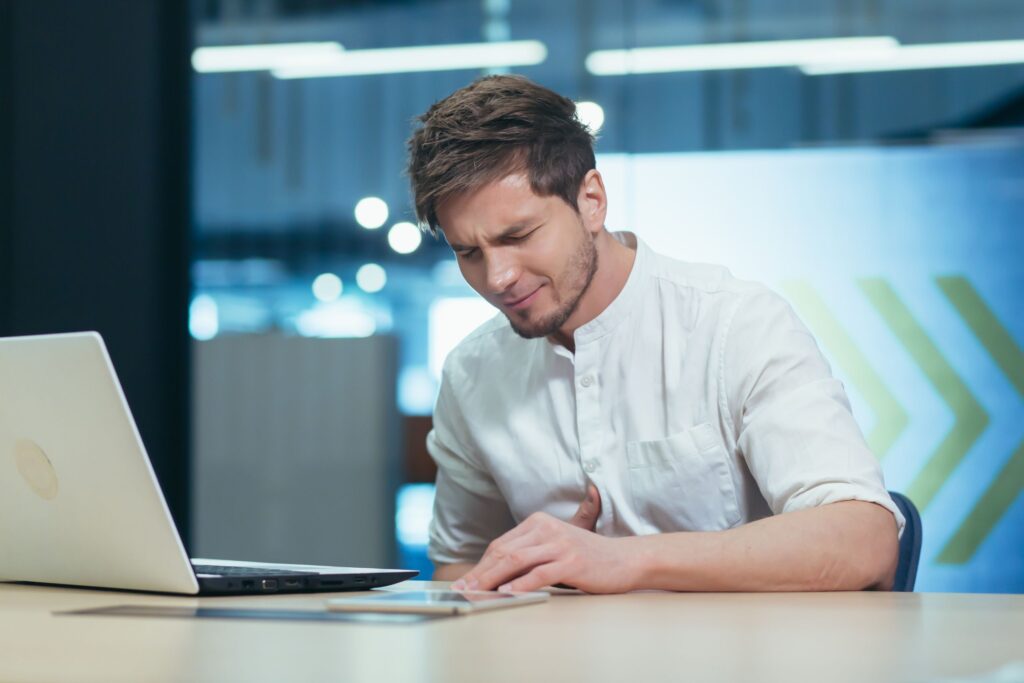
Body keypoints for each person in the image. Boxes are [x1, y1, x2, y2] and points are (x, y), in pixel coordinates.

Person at [406, 74, 903, 594]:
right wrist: (533, 578)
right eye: (469, 252)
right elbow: (458, 568)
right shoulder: (472, 373)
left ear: (592, 200)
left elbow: (864, 539)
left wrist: (622, 561)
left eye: (519, 235)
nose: (498, 277)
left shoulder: (734, 324)